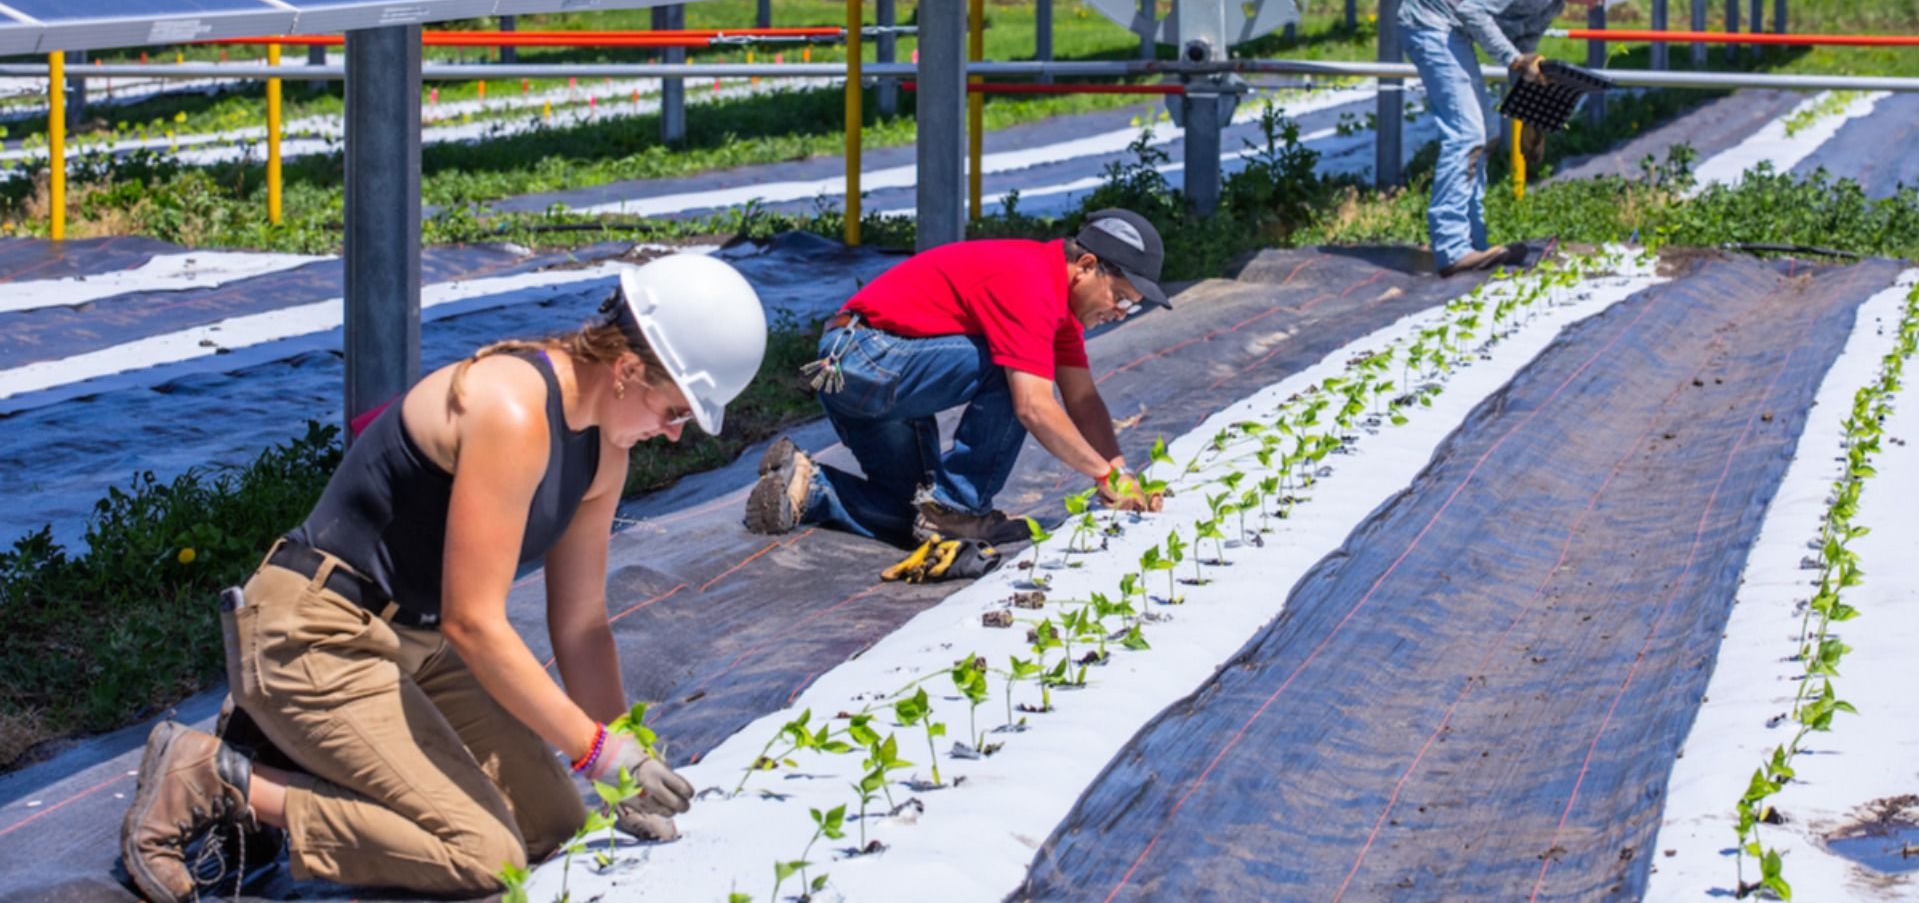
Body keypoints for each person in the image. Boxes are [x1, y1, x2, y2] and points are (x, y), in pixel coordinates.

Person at [119, 254, 768, 900]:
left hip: (416, 648)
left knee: (556, 826)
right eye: (676, 411)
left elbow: (582, 623)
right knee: (485, 857)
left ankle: (294, 745)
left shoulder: (603, 454)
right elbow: (475, 622)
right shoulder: (513, 407)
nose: (674, 434)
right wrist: (597, 753)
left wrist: (619, 758)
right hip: (315, 632)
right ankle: (216, 777)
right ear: (627, 370)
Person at [744, 210, 1170, 555]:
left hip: (867, 372)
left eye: (1131, 308)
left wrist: (1120, 471)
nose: (1119, 312)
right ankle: (960, 506)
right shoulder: (1032, 281)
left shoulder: (1060, 311)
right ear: (1087, 267)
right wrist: (1101, 476)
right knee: (1016, 371)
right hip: (863, 357)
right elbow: (1033, 407)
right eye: (1121, 298)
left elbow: (1083, 398)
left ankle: (807, 486)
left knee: (916, 515)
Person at [1398, 0, 1644, 274]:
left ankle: (1474, 242)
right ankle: (1453, 248)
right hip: (1430, 20)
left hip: (1454, 28)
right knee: (1466, 134)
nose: (1593, 6)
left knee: (1485, 135)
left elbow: (1525, 49)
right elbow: (1474, 12)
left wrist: (1532, 120)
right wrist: (1514, 60)